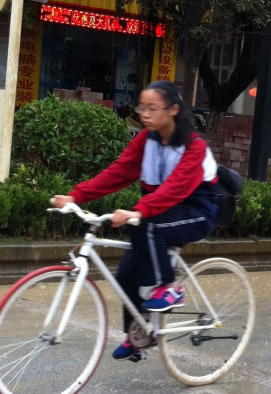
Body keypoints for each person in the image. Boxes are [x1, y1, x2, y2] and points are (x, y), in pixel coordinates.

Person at [52, 80, 218, 361]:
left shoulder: (194, 146)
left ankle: (167, 290)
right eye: (142, 108)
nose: (145, 114)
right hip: (159, 209)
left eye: (153, 108)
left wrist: (140, 211)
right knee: (128, 275)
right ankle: (140, 335)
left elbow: (176, 187)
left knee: (145, 224)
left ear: (174, 109)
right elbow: (117, 173)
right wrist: (75, 196)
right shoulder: (145, 140)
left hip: (196, 211)